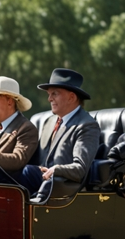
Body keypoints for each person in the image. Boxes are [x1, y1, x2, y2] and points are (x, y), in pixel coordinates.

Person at [20, 68, 100, 203]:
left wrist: (56, 169)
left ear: (72, 97)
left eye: (54, 94)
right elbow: (34, 158)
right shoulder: (49, 121)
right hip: (39, 182)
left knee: (26, 172)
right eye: (49, 94)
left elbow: (80, 169)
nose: (49, 98)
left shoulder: (87, 125)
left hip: (62, 187)